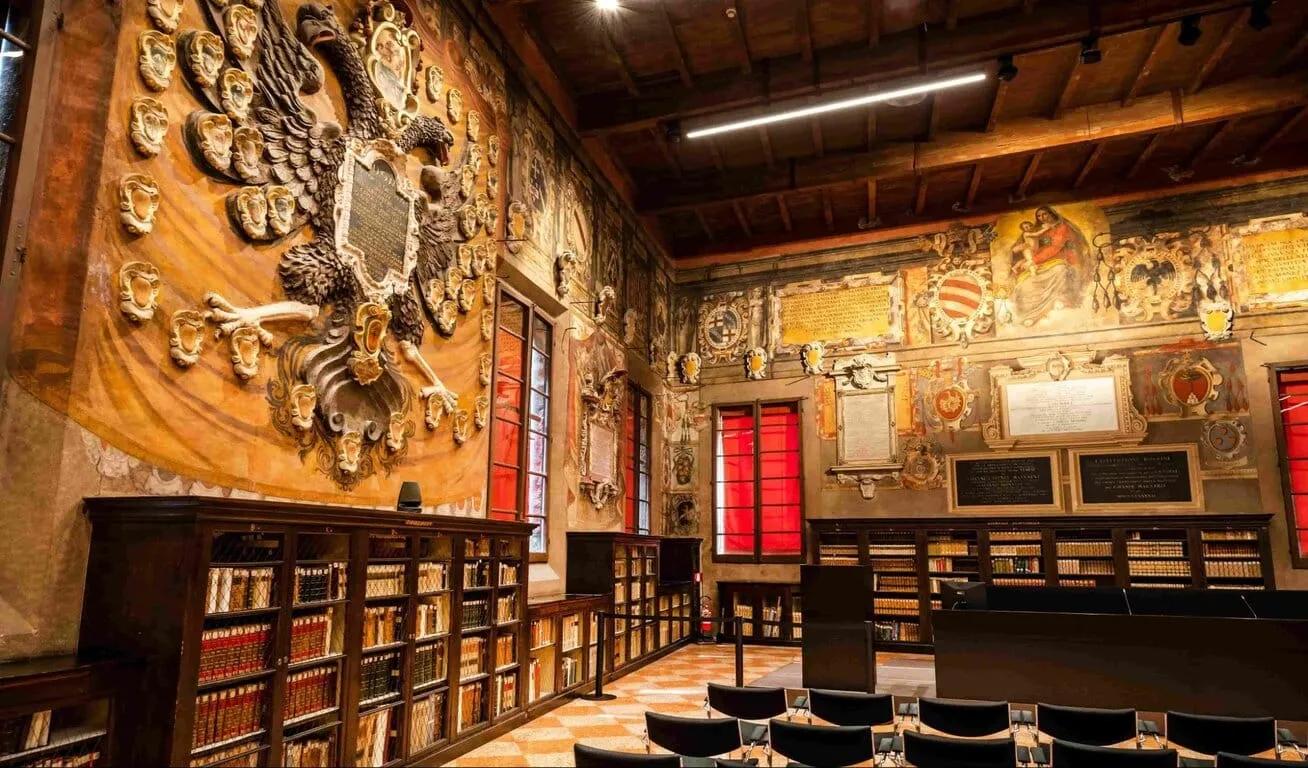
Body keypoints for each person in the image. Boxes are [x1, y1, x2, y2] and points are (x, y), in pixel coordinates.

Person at [1008, 206, 1090, 324]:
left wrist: (1033, 260)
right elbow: (1026, 244)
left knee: (1059, 270)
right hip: (1038, 261)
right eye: (1039, 216)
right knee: (1024, 284)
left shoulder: (1061, 227)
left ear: (1052, 214)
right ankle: (1030, 314)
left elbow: (1055, 248)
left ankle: (1049, 309)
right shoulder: (1036, 229)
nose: (1042, 218)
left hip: (1058, 258)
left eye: (1045, 214)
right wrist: (1019, 250)